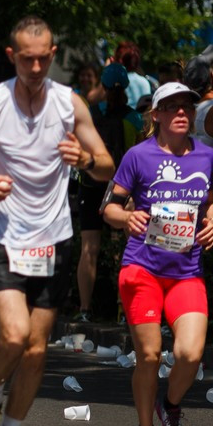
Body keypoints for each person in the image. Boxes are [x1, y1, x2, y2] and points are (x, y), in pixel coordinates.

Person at [0, 16, 114, 426]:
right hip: (2, 234)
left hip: (52, 238)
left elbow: (107, 165)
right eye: (27, 59)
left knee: (37, 351)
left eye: (43, 59)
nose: (36, 67)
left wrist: (85, 159)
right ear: (12, 57)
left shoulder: (69, 104)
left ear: (53, 55)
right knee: (15, 335)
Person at [101, 81, 213, 426]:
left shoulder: (207, 156)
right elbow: (109, 207)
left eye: (187, 106)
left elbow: (212, 201)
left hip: (186, 272)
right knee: (150, 355)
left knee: (190, 354)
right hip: (142, 269)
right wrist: (126, 217)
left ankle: (170, 406)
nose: (181, 112)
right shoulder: (138, 156)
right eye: (172, 107)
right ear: (156, 115)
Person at [74, 64, 144, 321]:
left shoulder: (91, 115)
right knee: (127, 248)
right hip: (121, 188)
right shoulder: (134, 118)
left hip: (90, 186)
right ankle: (124, 310)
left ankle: (84, 309)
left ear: (102, 86)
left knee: (88, 249)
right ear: (126, 87)